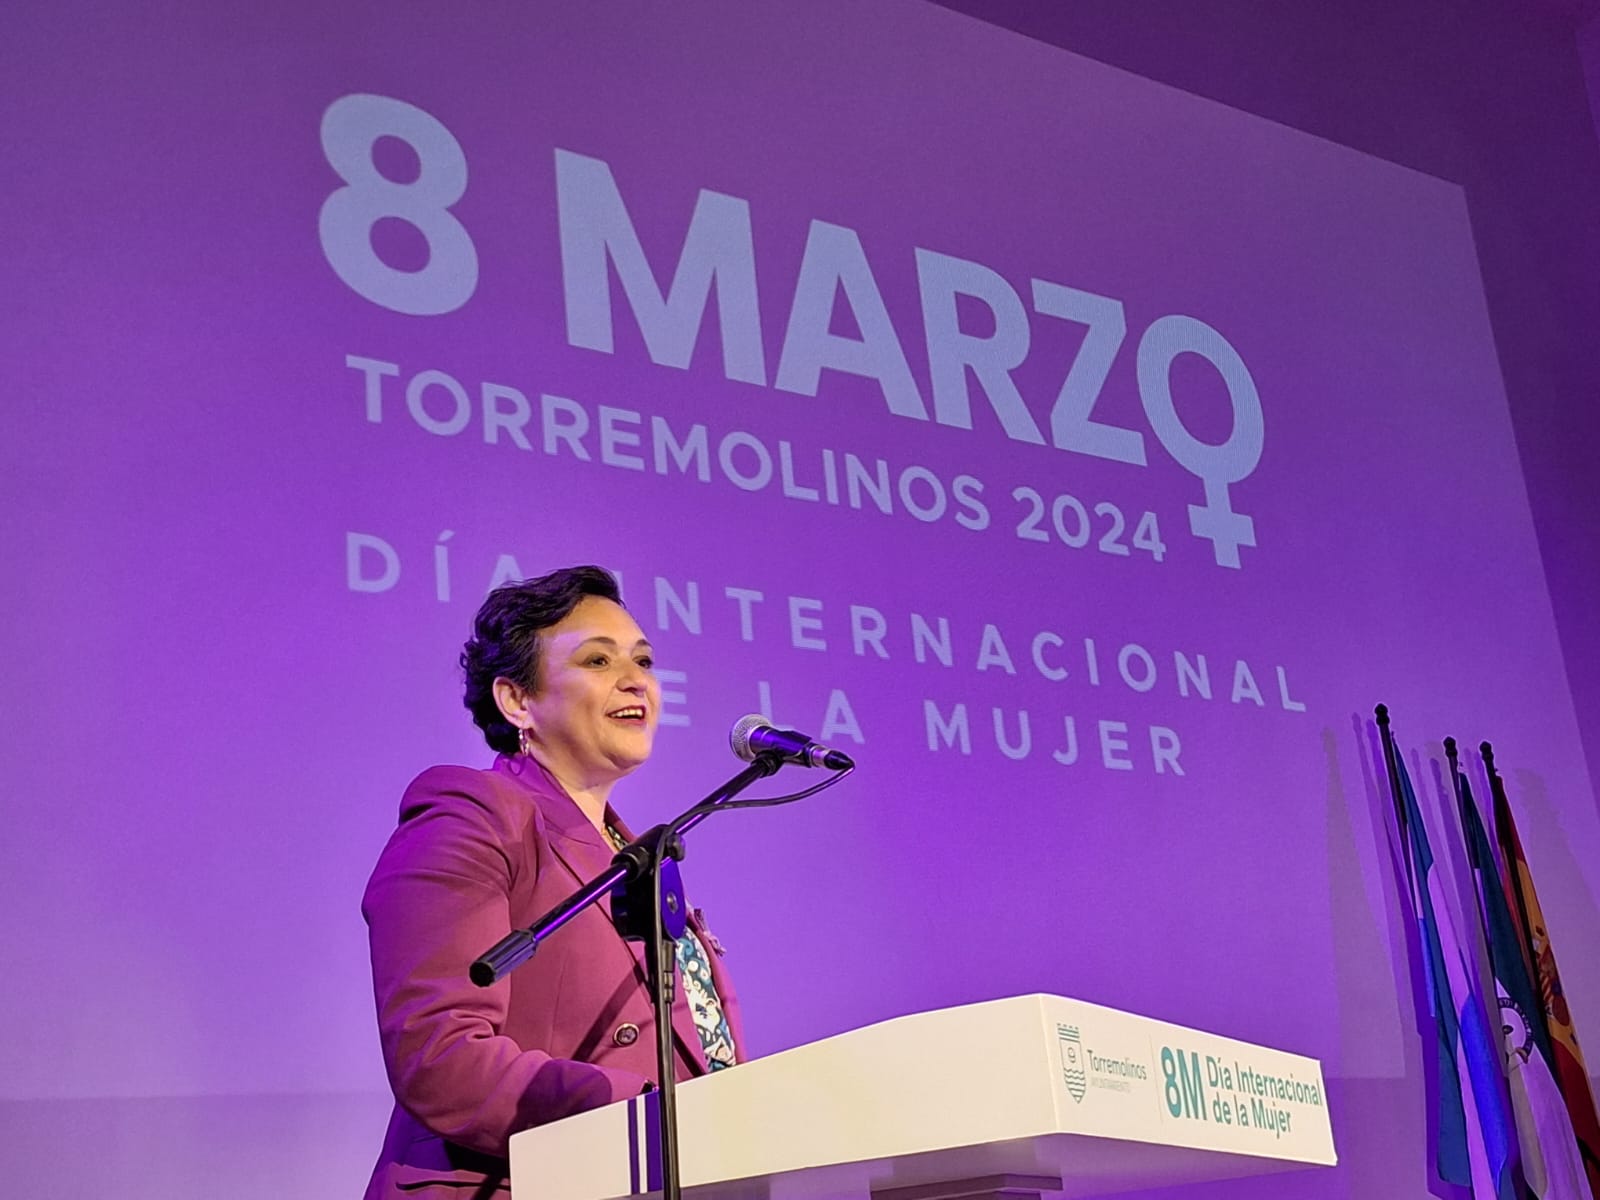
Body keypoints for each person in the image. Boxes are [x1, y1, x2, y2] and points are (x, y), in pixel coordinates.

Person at [362, 565, 743, 1200]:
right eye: (598, 660)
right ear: (517, 700)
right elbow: (441, 1057)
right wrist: (650, 1115)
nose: (635, 680)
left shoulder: (632, 854)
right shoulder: (471, 815)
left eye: (643, 660)